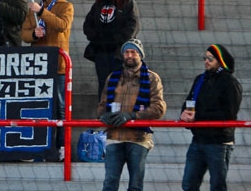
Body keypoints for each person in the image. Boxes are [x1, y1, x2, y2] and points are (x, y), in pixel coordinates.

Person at [97, 39, 166, 191]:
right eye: (127, 52)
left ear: (140, 55)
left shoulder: (152, 78)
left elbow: (159, 108)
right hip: (114, 136)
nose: (129, 55)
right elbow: (102, 105)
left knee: (135, 185)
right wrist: (103, 116)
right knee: (109, 183)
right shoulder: (112, 77)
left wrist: (132, 116)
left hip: (138, 138)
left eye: (133, 52)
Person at [20, 0, 73, 160]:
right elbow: (24, 34)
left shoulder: (65, 6)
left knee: (60, 108)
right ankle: (41, 147)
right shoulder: (33, 9)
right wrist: (34, 34)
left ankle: (62, 146)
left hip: (58, 67)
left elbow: (62, 25)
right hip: (38, 67)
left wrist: (42, 12)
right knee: (41, 108)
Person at [180, 44, 242, 191]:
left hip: (219, 142)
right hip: (198, 140)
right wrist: (184, 114)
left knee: (217, 186)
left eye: (210, 58)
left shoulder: (230, 83)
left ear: (220, 61)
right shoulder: (200, 79)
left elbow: (229, 114)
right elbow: (189, 101)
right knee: (188, 184)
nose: (206, 61)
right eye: (205, 58)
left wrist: (198, 116)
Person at [83, 0, 141, 96]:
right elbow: (88, 24)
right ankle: (103, 114)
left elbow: (133, 26)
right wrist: (97, 39)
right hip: (101, 53)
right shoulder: (99, 4)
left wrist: (115, 40)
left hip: (118, 54)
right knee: (103, 87)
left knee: (119, 86)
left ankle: (118, 114)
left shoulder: (127, 3)